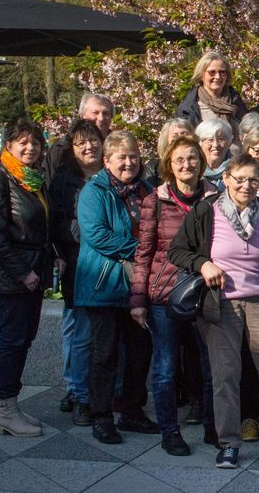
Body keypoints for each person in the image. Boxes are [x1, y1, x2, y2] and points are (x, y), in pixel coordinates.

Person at [167, 153, 259, 469]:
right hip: (221, 303)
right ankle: (228, 442)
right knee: (225, 374)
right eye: (239, 178)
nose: (246, 185)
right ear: (225, 179)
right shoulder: (206, 210)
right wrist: (203, 264)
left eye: (253, 179)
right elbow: (177, 250)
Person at [130, 135, 218, 456]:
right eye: (179, 159)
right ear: (169, 164)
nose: (186, 165)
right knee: (165, 367)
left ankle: (212, 427)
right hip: (163, 295)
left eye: (192, 158)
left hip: (204, 294)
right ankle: (170, 431)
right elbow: (144, 253)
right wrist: (138, 300)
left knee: (210, 366)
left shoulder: (214, 198)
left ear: (201, 162)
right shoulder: (155, 200)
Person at [0, 120, 61, 438]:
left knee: (23, 339)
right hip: (14, 274)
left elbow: (41, 225)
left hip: (33, 270)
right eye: (22, 142)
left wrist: (54, 255)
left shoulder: (32, 179)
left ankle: (11, 406)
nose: (30, 148)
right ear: (8, 145)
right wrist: (21, 271)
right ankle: (5, 411)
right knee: (12, 340)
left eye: (36, 143)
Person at [74, 131, 157, 445]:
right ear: (107, 161)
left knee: (140, 351)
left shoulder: (147, 190)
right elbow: (97, 235)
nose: (129, 162)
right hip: (104, 284)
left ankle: (132, 410)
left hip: (139, 286)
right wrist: (142, 249)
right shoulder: (94, 191)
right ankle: (101, 416)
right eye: (121, 157)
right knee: (104, 353)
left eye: (133, 156)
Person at [49, 120, 103, 426]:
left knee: (109, 336)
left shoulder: (112, 176)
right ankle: (80, 395)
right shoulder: (63, 180)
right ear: (72, 147)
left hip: (108, 268)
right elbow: (56, 222)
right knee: (81, 334)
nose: (88, 147)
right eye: (81, 142)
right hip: (77, 264)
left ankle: (105, 395)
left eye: (93, 140)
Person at [176, 51, 248, 147]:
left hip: (238, 160)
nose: (217, 77)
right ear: (202, 75)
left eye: (222, 72)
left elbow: (253, 121)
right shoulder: (190, 108)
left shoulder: (236, 102)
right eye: (212, 72)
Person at [43, 92, 114, 180]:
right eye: (95, 112)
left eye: (106, 113)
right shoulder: (61, 149)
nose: (101, 118)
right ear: (82, 115)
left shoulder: (117, 146)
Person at [142, 118, 195, 187]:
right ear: (166, 143)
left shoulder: (198, 163)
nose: (180, 142)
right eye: (174, 139)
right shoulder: (153, 168)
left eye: (184, 136)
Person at [196, 118, 233, 188]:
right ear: (200, 143)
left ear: (229, 142)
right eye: (210, 140)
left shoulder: (237, 168)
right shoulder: (193, 169)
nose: (215, 145)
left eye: (221, 139)